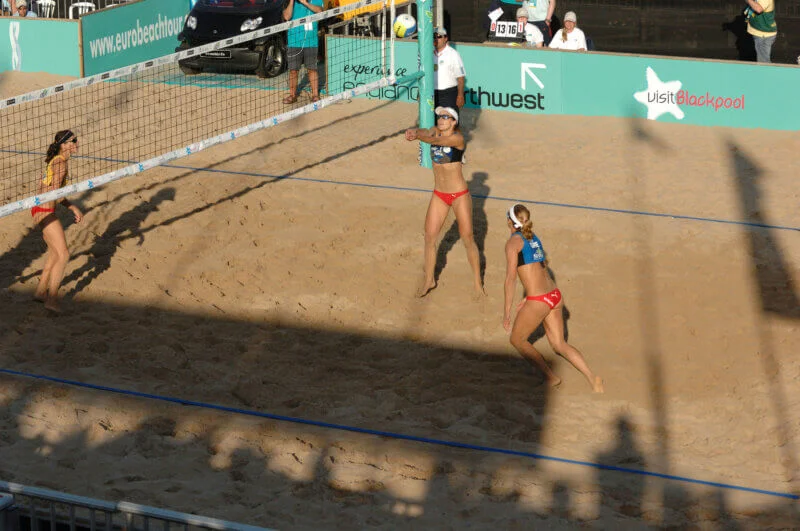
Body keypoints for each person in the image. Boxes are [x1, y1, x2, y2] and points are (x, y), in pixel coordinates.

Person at [503, 203, 603, 392]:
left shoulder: (512, 243)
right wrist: (529, 296)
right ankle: (593, 378)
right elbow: (540, 269)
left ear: (510, 221)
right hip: (554, 296)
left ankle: (550, 376)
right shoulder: (533, 237)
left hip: (539, 300)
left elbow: (510, 279)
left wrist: (507, 312)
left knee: (517, 340)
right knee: (560, 344)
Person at [404, 107, 483, 298]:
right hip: (439, 194)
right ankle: (429, 280)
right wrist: (415, 132)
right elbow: (427, 133)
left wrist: (421, 137)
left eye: (445, 117)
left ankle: (478, 283)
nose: (441, 119)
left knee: (468, 238)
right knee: (429, 237)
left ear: (454, 122)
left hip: (459, 195)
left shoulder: (457, 138)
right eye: (440, 116)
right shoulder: (435, 130)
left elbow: (436, 140)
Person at [32, 130, 83, 313]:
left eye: (76, 139)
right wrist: (72, 204)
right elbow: (54, 191)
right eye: (73, 140)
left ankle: (40, 291)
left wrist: (71, 206)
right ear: (63, 145)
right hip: (44, 211)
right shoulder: (60, 163)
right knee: (64, 255)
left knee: (55, 253)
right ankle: (52, 300)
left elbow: (53, 190)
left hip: (40, 210)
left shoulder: (59, 160)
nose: (77, 142)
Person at [282, 0, 323, 103]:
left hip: (311, 41)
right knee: (293, 70)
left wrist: (305, 3)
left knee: (312, 69)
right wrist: (291, 2)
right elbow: (286, 17)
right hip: (294, 41)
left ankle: (315, 95)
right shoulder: (289, 2)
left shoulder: (317, 1)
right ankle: (292, 95)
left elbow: (320, 12)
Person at [433, 27, 466, 111]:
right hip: (432, 93)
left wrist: (460, 95)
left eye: (439, 37)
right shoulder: (429, 53)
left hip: (449, 94)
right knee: (434, 122)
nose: (436, 39)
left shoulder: (453, 54)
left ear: (446, 38)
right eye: (434, 36)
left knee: (450, 121)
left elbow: (460, 77)